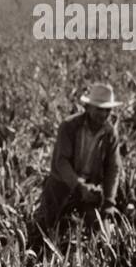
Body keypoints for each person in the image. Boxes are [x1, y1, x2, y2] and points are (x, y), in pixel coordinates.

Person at [31, 83, 122, 243]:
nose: (104, 114)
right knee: (45, 232)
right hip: (61, 185)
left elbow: (113, 169)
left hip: (90, 188)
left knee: (101, 235)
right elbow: (61, 162)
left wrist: (109, 201)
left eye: (107, 110)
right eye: (99, 109)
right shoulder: (69, 126)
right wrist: (79, 186)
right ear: (87, 107)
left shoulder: (110, 134)